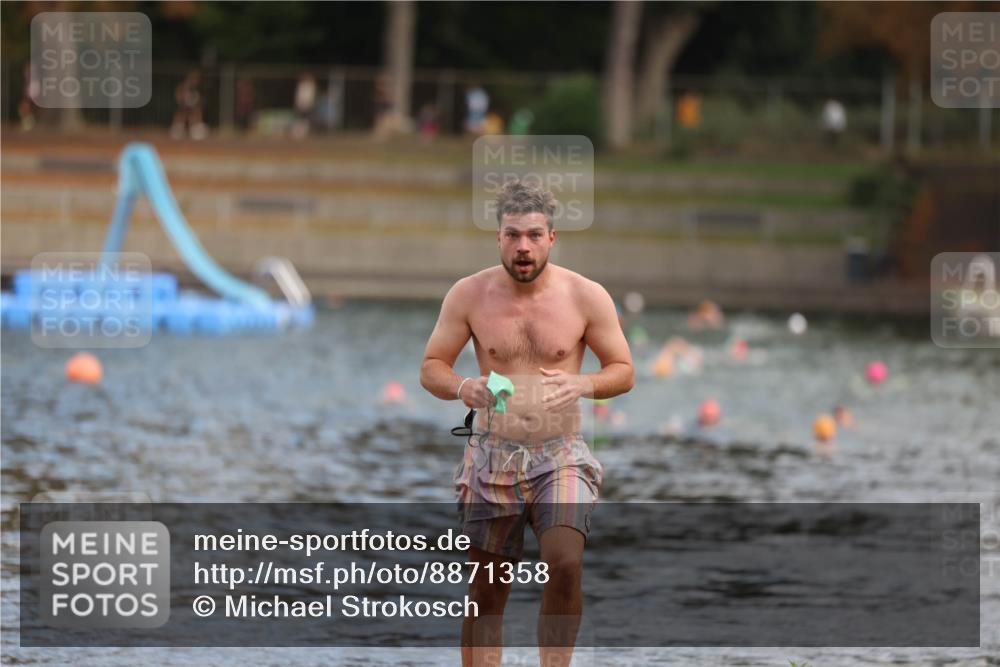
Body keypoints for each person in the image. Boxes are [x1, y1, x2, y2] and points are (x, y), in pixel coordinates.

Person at [420, 180, 634, 667]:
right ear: (497, 237)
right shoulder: (468, 294)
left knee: (565, 564)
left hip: (560, 453)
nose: (523, 246)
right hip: (491, 456)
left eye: (534, 235)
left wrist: (582, 385)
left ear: (552, 238)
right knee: (487, 589)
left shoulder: (585, 296)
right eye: (513, 235)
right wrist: (463, 387)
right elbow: (431, 366)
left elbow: (624, 370)